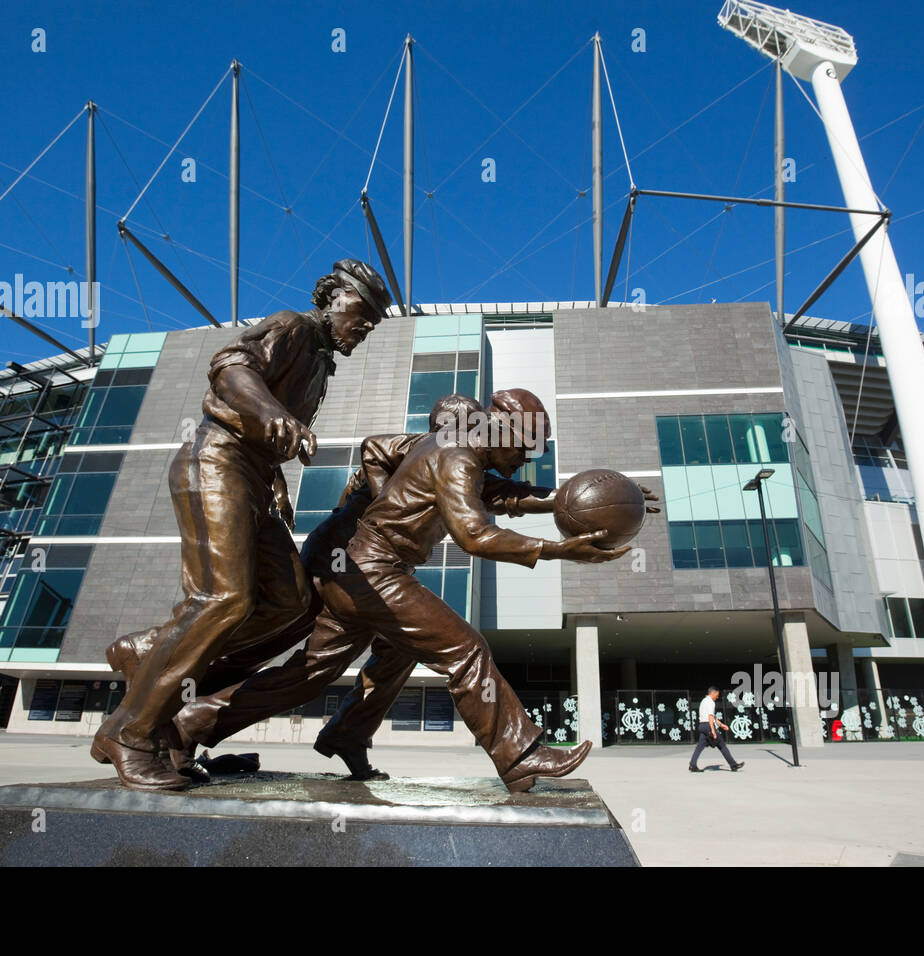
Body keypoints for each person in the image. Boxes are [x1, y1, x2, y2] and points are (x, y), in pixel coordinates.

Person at [173, 388, 639, 792]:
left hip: (359, 571)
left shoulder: (457, 450)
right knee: (465, 649)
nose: (524, 459)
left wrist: (601, 501)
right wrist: (559, 550)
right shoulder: (457, 458)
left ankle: (198, 722)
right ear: (498, 429)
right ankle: (518, 753)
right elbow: (474, 535)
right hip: (374, 570)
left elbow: (504, 494)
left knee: (319, 672)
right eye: (523, 449)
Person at [92, 258, 392, 792]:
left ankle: (149, 653)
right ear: (331, 298)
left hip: (254, 480)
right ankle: (130, 732)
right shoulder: (294, 325)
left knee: (292, 606)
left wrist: (275, 478)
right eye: (361, 313)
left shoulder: (321, 365)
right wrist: (269, 411)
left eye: (374, 321)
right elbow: (231, 366)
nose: (365, 327)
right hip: (216, 463)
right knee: (223, 599)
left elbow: (268, 429)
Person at [689, 687, 744, 773]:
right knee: (721, 744)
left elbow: (712, 716)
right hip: (708, 725)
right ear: (713, 693)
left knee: (700, 746)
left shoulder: (703, 701)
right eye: (717, 695)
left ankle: (692, 765)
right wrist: (713, 731)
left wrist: (721, 725)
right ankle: (733, 765)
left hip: (702, 725)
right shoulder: (711, 702)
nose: (717, 697)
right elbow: (710, 717)